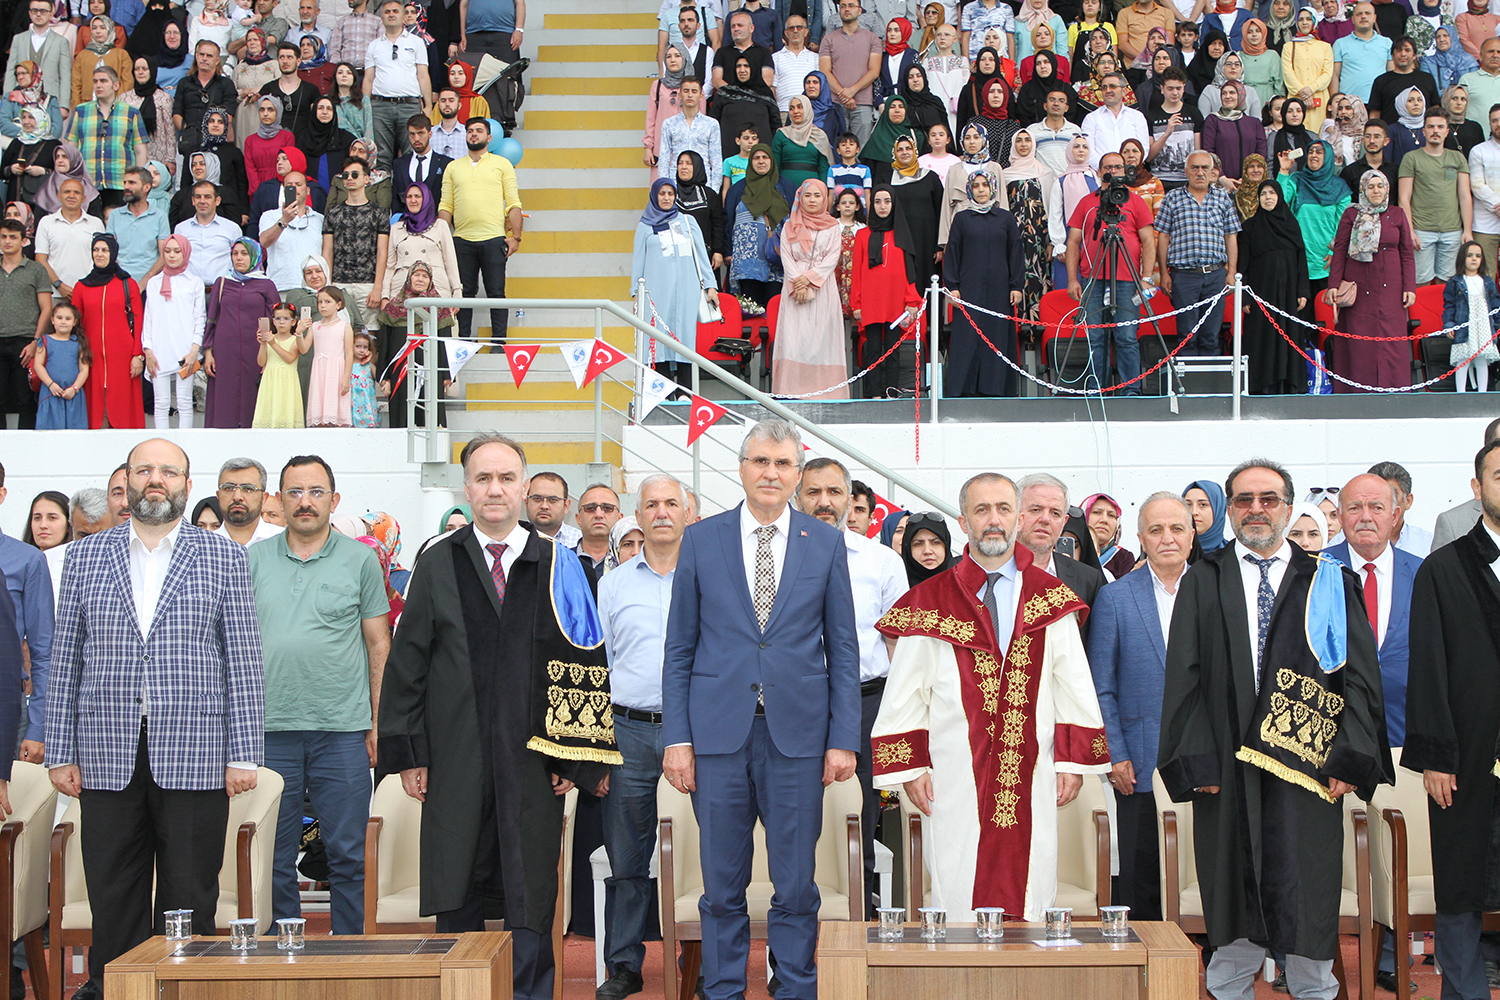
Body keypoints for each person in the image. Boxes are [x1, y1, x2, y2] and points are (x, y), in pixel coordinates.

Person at [379, 433, 617, 1000]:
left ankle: (531, 993)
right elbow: (406, 664)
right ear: (466, 486)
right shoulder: (438, 560)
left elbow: (582, 657)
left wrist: (571, 756)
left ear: (524, 486)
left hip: (533, 757)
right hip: (454, 751)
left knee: (529, 884)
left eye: (506, 478)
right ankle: (460, 989)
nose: (494, 489)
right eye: (483, 478)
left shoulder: (559, 563)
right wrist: (411, 755)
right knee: (456, 872)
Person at [1158, 458, 1390, 1000]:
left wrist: (1349, 759)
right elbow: (1184, 678)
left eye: (1268, 499)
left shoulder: (1329, 581)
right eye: (1243, 500)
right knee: (1231, 891)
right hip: (1227, 763)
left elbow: (1359, 678)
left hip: (1308, 766)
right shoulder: (1204, 578)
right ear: (1228, 510)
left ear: (1288, 506)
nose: (1256, 510)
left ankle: (1314, 988)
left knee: (1306, 886)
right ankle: (1229, 989)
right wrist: (1197, 764)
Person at [46, 437, 264, 1000]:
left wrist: (243, 753)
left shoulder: (223, 556)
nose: (156, 480)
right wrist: (59, 750)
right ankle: (115, 988)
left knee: (190, 890)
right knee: (113, 890)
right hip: (103, 752)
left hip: (195, 750)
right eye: (144, 470)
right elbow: (65, 655)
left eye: (169, 471)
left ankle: (187, 989)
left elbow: (242, 656)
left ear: (187, 485)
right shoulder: (85, 556)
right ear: (128, 481)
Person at [660, 418, 858, 1000]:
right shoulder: (702, 539)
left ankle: (794, 987)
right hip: (717, 739)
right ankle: (722, 989)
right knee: (722, 886)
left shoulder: (823, 542)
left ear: (798, 474)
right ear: (742, 468)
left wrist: (843, 736)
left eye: (783, 464)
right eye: (760, 462)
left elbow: (842, 647)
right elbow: (679, 648)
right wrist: (678, 738)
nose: (771, 473)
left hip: (797, 740)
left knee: (796, 885)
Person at [872, 470, 1109, 921]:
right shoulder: (930, 601)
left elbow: (1072, 682)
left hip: (1033, 770)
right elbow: (906, 690)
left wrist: (1072, 762)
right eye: (982, 510)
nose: (993, 520)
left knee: (1032, 885)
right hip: (953, 771)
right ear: (964, 521)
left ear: (1018, 518)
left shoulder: (1050, 598)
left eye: (1003, 509)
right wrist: (912, 766)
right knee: (957, 879)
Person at [248, 454, 388, 938]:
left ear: (334, 499)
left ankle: (350, 954)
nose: (305, 502)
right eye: (294, 492)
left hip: (343, 732)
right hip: (269, 733)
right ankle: (284, 955)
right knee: (274, 853)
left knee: (347, 853)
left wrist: (377, 722)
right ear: (279, 500)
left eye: (315, 492)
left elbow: (378, 644)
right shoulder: (252, 560)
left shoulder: (361, 560)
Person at [1394, 438, 1500, 1000]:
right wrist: (1435, 756)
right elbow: (1428, 667)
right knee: (1461, 883)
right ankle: (1463, 991)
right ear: (1477, 487)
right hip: (1465, 755)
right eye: (1499, 474)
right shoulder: (1443, 569)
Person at [795, 458, 905, 918]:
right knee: (794, 824)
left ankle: (859, 935)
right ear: (797, 497)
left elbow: (901, 645)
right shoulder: (774, 557)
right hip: (796, 707)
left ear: (851, 500)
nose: (824, 503)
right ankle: (794, 943)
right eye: (813, 492)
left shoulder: (882, 561)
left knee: (860, 821)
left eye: (834, 493)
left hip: (866, 706)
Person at [593, 473, 688, 1000]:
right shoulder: (613, 584)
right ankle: (624, 965)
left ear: (687, 513)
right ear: (638, 514)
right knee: (627, 858)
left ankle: (700, 959)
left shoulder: (710, 579)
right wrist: (600, 748)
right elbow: (598, 665)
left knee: (707, 850)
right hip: (627, 730)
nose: (662, 512)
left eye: (671, 503)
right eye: (651, 504)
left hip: (694, 734)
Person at [1087, 491, 1191, 922]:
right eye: (1156, 530)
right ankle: (1146, 961)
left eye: (1176, 528)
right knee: (1142, 871)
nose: (1167, 538)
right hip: (1137, 761)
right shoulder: (1115, 598)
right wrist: (1115, 753)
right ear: (1140, 538)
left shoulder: (1215, 591)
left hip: (1205, 761)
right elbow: (1101, 685)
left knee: (1202, 868)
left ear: (1191, 536)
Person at [1065, 150, 1154, 394]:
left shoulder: (1135, 201)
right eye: (1108, 167)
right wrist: (1072, 279)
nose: (1113, 171)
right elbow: (1073, 241)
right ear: (1099, 171)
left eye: (1118, 167)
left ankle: (1130, 390)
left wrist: (1146, 278)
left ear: (1126, 171)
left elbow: (1148, 240)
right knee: (1096, 338)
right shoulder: (1086, 202)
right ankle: (1097, 390)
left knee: (1126, 336)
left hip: (1128, 280)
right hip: (1092, 279)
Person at [1324, 170, 1416, 391]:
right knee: (1359, 341)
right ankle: (1356, 390)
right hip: (1359, 286)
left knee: (1391, 339)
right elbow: (1340, 250)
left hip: (1391, 288)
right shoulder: (1351, 215)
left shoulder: (1398, 214)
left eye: (1380, 186)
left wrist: (1409, 287)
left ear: (1387, 189)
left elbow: (1407, 253)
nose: (1376, 191)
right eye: (1371, 187)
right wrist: (1333, 285)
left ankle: (1394, 388)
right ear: (1363, 189)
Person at [438, 117, 523, 344]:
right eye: (470, 131)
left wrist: (516, 238)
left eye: (478, 131)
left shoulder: (502, 164)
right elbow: (446, 207)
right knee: (465, 294)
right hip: (461, 240)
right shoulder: (452, 167)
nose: (473, 134)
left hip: (494, 239)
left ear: (489, 137)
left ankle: (498, 343)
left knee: (496, 292)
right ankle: (464, 343)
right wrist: (441, 237)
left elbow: (514, 203)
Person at [944, 167, 1023, 396]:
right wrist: (953, 287)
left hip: (1000, 290)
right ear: (970, 189)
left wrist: (1016, 285)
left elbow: (1015, 252)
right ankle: (965, 390)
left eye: (985, 185)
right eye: (976, 186)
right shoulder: (961, 218)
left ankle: (996, 389)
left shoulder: (1005, 218)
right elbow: (953, 253)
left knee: (997, 336)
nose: (981, 190)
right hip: (969, 290)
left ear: (993, 189)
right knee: (968, 337)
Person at [631, 178, 716, 385]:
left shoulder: (688, 221)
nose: (667, 198)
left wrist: (710, 285)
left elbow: (701, 256)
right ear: (655, 196)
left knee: (684, 336)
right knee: (658, 338)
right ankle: (663, 390)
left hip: (687, 289)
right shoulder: (644, 226)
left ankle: (685, 391)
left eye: (670, 194)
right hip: (656, 291)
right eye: (662, 194)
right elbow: (638, 261)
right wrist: (636, 294)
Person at [1154, 149, 1238, 355]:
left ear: (1212, 173)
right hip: (1183, 277)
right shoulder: (1172, 198)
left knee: (1211, 335)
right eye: (1195, 168)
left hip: (1216, 275)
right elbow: (1163, 237)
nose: (1200, 173)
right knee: (1187, 336)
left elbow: (1231, 236)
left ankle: (1209, 386)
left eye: (1205, 168)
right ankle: (1188, 386)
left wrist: (1231, 273)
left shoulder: (1223, 199)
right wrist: (1164, 274)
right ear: (1186, 171)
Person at [850, 184, 922, 397]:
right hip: (871, 301)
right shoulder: (863, 235)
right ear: (872, 205)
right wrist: (856, 303)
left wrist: (911, 301)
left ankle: (892, 394)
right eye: (878, 201)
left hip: (896, 300)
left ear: (894, 204)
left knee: (893, 350)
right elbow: (856, 272)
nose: (883, 206)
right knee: (872, 350)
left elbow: (910, 272)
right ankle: (873, 394)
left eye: (887, 201)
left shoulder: (902, 233)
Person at [1240, 179, 1309, 395]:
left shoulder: (1292, 224)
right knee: (1263, 337)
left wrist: (1302, 291)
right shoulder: (1250, 227)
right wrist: (1245, 297)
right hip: (1261, 293)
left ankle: (1290, 384)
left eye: (1272, 193)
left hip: (1288, 294)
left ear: (1279, 196)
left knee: (1288, 335)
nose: (1267, 197)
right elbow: (1244, 265)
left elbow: (1300, 259)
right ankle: (1262, 385)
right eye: (1263, 194)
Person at [204, 237, 280, 426]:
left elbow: (276, 322)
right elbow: (212, 320)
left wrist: (270, 352)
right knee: (224, 397)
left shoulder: (266, 285)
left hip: (256, 351)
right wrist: (208, 353)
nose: (239, 258)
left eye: (244, 254)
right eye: (235, 254)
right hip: (224, 351)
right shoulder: (222, 283)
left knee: (253, 396)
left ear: (254, 256)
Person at [71, 233, 144, 428]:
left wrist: (138, 354)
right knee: (94, 408)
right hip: (91, 355)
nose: (99, 254)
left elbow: (138, 321)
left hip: (123, 355)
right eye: (96, 250)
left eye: (105, 250)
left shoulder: (128, 284)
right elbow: (75, 324)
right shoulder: (81, 287)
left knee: (122, 407)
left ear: (113, 253)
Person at [1399, 109, 1473, 285]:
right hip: (1421, 231)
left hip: (1452, 231)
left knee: (1447, 284)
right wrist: (1409, 231)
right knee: (1420, 283)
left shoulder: (1457, 158)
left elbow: (1465, 196)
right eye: (1431, 126)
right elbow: (1404, 198)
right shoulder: (1411, 158)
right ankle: (1420, 315)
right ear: (1423, 131)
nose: (1435, 131)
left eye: (1440, 127)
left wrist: (1467, 230)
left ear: (1447, 131)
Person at [63, 66, 147, 210]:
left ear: (115, 85)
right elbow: (71, 149)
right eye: (95, 81)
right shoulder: (81, 111)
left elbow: (140, 151)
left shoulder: (131, 112)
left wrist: (137, 181)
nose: (98, 85)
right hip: (87, 182)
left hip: (120, 181)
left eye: (103, 81)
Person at [140, 233, 203, 428]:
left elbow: (199, 318)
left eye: (177, 251)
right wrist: (148, 351)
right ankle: (162, 445)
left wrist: (194, 351)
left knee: (184, 402)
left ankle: (185, 445)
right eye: (167, 251)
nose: (172, 255)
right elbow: (148, 318)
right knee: (161, 403)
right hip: (159, 350)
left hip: (186, 352)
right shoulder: (153, 283)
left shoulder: (195, 282)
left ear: (185, 252)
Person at [362, 0, 429, 171]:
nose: (391, 14)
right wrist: (366, 108)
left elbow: (423, 75)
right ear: (382, 17)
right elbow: (368, 79)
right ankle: (383, 195)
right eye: (387, 11)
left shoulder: (416, 42)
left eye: (395, 11)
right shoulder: (374, 45)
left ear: (403, 16)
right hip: (380, 106)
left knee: (410, 153)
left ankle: (410, 195)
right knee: (381, 155)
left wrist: (428, 105)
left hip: (409, 105)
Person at [725, 143, 792, 309]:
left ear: (772, 160)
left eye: (765, 157)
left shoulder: (786, 187)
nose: (761, 161)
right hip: (747, 264)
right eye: (756, 158)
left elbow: (796, 222)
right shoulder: (737, 189)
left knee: (774, 310)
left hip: (776, 261)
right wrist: (727, 251)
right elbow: (727, 220)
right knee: (750, 312)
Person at [0, 218, 52, 429]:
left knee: (25, 400)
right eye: (3, 237)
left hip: (26, 341)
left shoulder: (36, 270)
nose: (7, 241)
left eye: (13, 237)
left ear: (24, 241)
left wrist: (35, 341)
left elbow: (47, 308)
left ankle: (27, 449)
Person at [821, 0, 883, 145]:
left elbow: (874, 71)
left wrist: (852, 91)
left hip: (863, 103)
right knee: (836, 147)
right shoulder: (828, 39)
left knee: (861, 150)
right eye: (843, 6)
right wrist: (844, 95)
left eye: (850, 5)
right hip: (835, 103)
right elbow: (825, 71)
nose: (846, 9)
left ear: (860, 10)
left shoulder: (872, 38)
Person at [1443, 240, 1500, 391]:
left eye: (1478, 256)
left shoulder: (1487, 282)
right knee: (1463, 360)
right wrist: (1449, 325)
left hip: (1484, 328)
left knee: (1482, 360)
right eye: (1469, 255)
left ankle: (1482, 394)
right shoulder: (1455, 282)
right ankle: (1460, 394)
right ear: (1462, 258)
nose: (1474, 259)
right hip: (1464, 327)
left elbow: (1495, 306)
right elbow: (1449, 306)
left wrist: (1497, 325)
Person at [6, 1, 72, 127]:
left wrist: (64, 105)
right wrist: (7, 99)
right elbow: (10, 71)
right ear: (29, 13)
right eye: (35, 11)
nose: (38, 14)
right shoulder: (18, 39)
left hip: (49, 101)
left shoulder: (61, 42)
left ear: (51, 13)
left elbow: (65, 75)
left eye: (43, 11)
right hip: (20, 101)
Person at [34, 299, 89, 428]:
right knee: (49, 433)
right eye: (59, 318)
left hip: (73, 396)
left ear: (74, 322)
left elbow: (84, 370)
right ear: (52, 320)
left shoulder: (79, 343)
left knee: (74, 434)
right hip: (50, 393)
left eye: (68, 318)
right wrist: (51, 385)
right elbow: (38, 365)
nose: (63, 321)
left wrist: (74, 388)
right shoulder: (45, 340)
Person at [304, 285, 353, 426]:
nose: (322, 305)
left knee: (336, 407)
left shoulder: (344, 326)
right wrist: (299, 333)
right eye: (320, 302)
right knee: (319, 405)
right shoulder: (314, 326)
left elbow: (349, 353)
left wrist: (346, 378)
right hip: (319, 370)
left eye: (327, 302)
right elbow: (304, 348)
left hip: (336, 371)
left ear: (338, 304)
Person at [252, 301, 305, 427]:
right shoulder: (270, 339)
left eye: (286, 319)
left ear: (293, 321)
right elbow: (261, 362)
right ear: (273, 321)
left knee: (285, 408)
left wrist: (273, 343)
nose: (282, 322)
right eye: (278, 318)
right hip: (270, 380)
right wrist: (263, 344)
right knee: (269, 408)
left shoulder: (294, 339)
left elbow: (290, 358)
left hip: (287, 380)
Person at [1081, 72, 1148, 169]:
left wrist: (1126, 168)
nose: (1108, 90)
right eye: (1104, 87)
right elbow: (1088, 151)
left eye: (1112, 86)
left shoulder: (1137, 116)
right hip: (1102, 175)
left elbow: (1143, 149)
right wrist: (1108, 169)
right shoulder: (1091, 118)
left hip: (1132, 174)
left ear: (1124, 91)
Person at [1282, 10, 1334, 133]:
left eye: (1309, 19)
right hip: (1296, 97)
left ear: (1315, 22)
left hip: (1319, 98)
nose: (1304, 22)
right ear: (1297, 23)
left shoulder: (1325, 47)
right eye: (1301, 19)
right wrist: (1303, 93)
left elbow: (1327, 73)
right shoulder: (1289, 47)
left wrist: (1311, 89)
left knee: (1318, 135)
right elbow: (1287, 72)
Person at [1458, 38, 1500, 131]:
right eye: (1491, 51)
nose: (1495, 55)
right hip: (1476, 139)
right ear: (1481, 55)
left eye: (1499, 52)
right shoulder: (1467, 80)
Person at [1425, 25, 1476, 93]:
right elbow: (1427, 88)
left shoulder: (1468, 60)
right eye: (1438, 37)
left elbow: (1475, 86)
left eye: (1445, 35)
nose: (1442, 39)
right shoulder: (1428, 62)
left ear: (1453, 37)